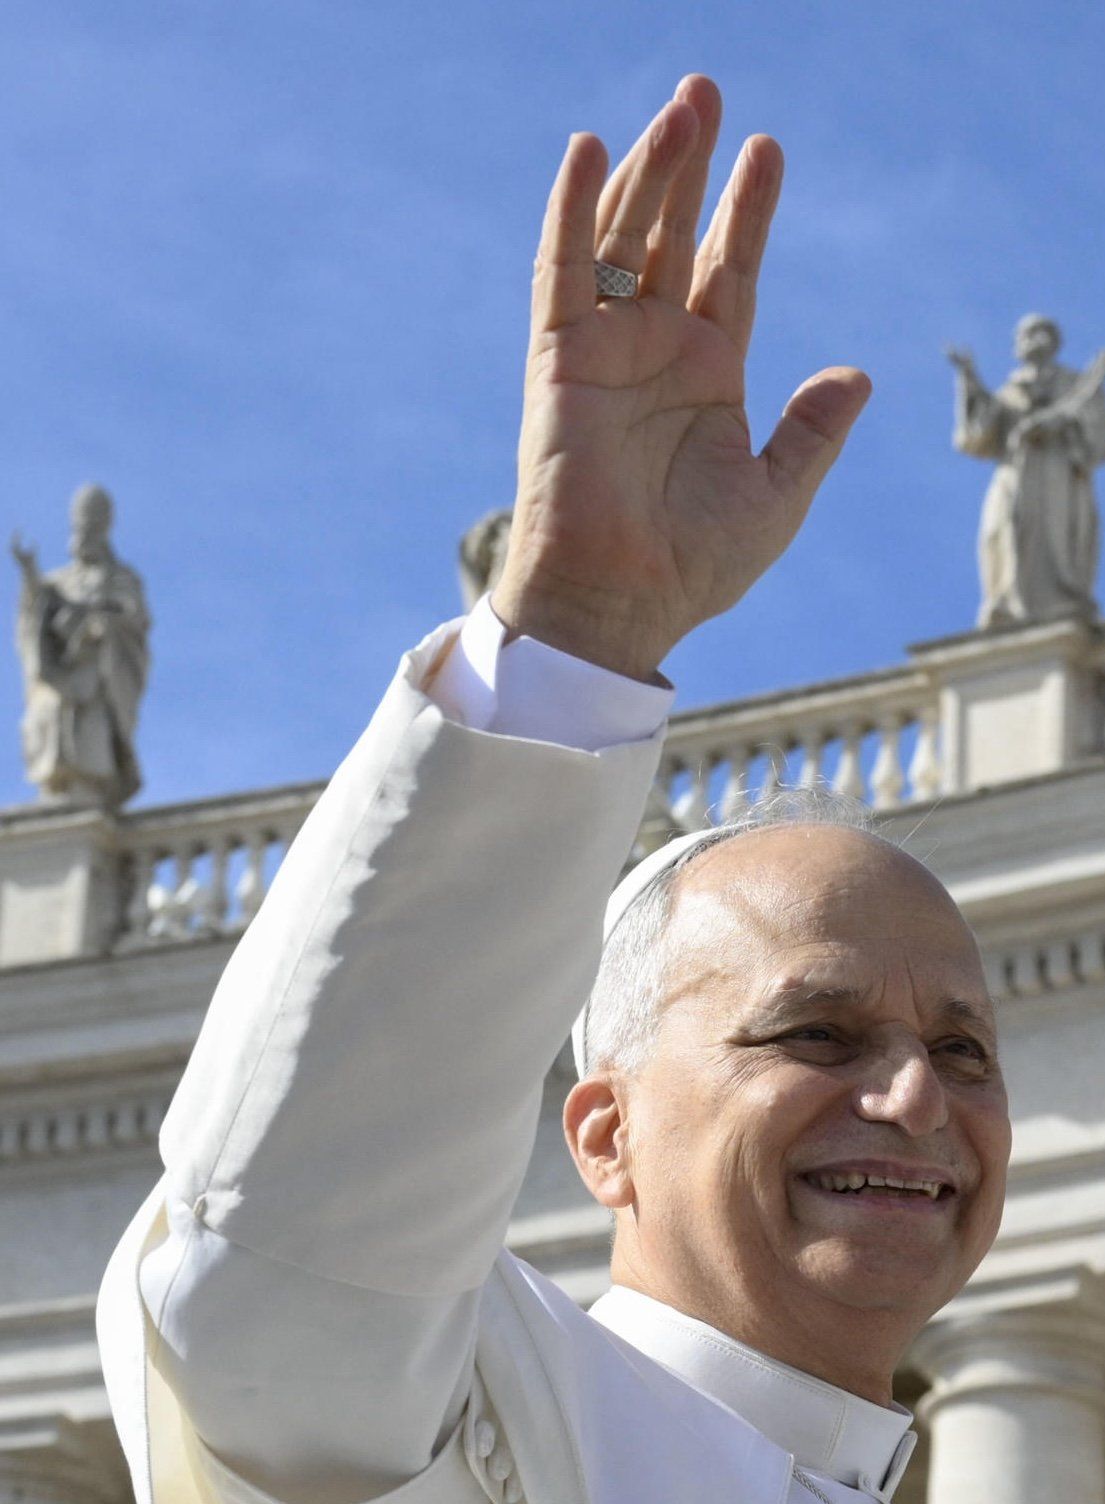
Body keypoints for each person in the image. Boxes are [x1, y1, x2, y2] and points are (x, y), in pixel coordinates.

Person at [96, 73, 1010, 1504]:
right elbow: (291, 1258)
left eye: (963, 1052)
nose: (914, 1098)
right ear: (605, 1132)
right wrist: (576, 635)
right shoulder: (470, 1419)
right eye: (818, 1034)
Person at [948, 316, 1105, 628]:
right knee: (1003, 529)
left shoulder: (1075, 385)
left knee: (1054, 531)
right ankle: (1006, 602)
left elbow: (1098, 433)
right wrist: (967, 378)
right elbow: (975, 437)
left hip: (1057, 472)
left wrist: (1061, 424)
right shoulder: (1009, 391)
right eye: (1024, 334)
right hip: (1013, 472)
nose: (1031, 340)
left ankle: (1058, 603)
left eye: (1039, 333)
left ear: (1054, 341)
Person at [12, 484, 151, 807]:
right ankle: (59, 788)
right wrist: (31, 574)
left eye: (89, 526)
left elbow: (131, 622)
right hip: (59, 678)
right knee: (50, 716)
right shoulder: (60, 579)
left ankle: (87, 789)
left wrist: (96, 625)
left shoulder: (121, 579)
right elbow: (38, 609)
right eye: (79, 527)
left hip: (94, 674)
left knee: (90, 727)